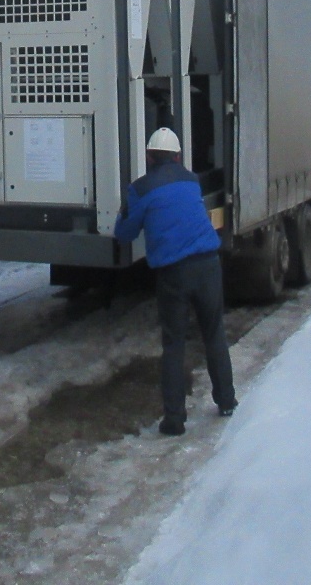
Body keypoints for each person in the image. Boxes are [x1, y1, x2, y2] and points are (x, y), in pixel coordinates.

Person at [115, 127, 237, 436]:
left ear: (149, 157)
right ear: (179, 156)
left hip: (174, 273)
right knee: (214, 334)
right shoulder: (191, 180)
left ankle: (175, 420)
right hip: (209, 264)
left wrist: (123, 211)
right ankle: (226, 400)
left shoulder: (140, 189)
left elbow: (125, 233)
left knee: (174, 344)